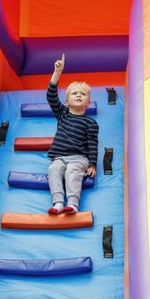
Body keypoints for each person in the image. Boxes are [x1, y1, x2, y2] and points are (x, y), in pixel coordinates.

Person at [47, 53, 99, 214]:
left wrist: (92, 164)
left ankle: (73, 204)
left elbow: (92, 143)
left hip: (79, 158)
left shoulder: (90, 123)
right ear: (67, 101)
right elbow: (51, 96)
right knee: (53, 170)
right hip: (59, 157)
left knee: (72, 172)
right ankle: (57, 203)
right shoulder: (62, 114)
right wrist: (57, 73)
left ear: (88, 103)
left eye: (82, 94)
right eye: (74, 93)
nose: (78, 95)